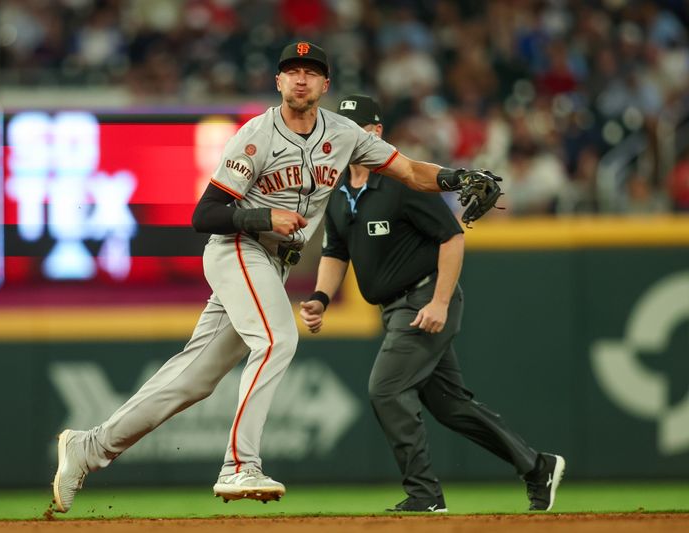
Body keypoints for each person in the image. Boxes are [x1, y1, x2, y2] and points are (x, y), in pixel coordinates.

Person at [51, 42, 501, 513]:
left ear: (325, 85)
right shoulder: (256, 136)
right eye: (291, 70)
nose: (300, 78)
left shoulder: (345, 134)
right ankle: (239, 464)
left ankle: (89, 447)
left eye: (310, 71)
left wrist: (456, 177)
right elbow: (205, 214)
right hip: (238, 250)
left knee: (192, 380)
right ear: (278, 82)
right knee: (277, 339)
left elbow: (409, 170)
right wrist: (265, 218)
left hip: (271, 264)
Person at [299, 94, 565, 513]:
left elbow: (452, 236)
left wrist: (439, 301)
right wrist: (320, 296)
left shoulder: (405, 181)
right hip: (394, 310)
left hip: (423, 298)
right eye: (341, 128)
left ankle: (425, 494)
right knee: (451, 407)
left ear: (376, 133)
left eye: (356, 129)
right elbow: (336, 251)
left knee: (385, 390)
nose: (347, 137)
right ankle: (536, 467)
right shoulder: (335, 193)